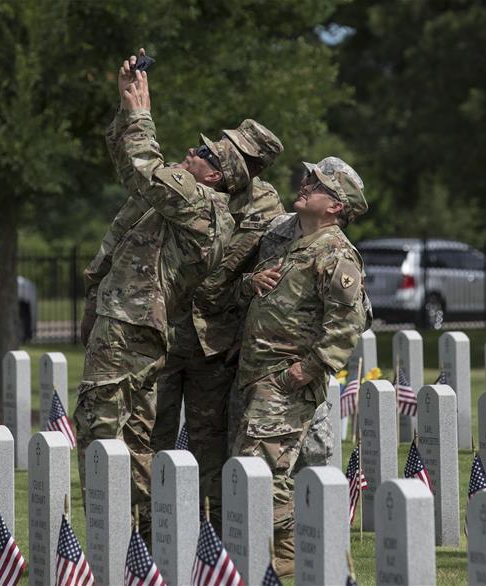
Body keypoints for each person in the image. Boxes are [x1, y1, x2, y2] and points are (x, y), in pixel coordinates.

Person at [74, 53, 243, 535]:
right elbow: (130, 165)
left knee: (100, 430)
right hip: (127, 325)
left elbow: (144, 166)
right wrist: (127, 106)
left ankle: (123, 542)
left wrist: (142, 114)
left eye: (204, 152)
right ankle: (146, 543)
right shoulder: (177, 200)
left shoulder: (204, 208)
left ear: (216, 176)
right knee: (130, 439)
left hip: (132, 329)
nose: (193, 150)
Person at [231, 157, 370, 576]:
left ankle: (287, 554)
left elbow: (346, 325)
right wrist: (249, 283)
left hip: (285, 380)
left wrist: (303, 372)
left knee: (263, 470)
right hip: (257, 375)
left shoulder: (336, 253)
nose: (306, 185)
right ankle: (282, 554)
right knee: (258, 466)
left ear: (335, 206)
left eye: (318, 184)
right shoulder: (290, 242)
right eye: (308, 178)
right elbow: (251, 292)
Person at [150, 119, 285, 531]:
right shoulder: (187, 181)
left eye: (234, 151)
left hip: (215, 340)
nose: (221, 153)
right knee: (154, 434)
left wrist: (245, 319)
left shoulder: (266, 207)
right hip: (166, 329)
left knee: (210, 442)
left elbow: (271, 274)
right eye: (221, 148)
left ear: (253, 166)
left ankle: (210, 536)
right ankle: (153, 533)